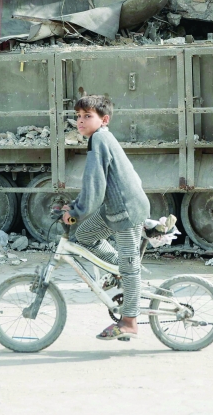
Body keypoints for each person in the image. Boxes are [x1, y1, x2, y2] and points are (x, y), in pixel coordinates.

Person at [60, 94, 150, 341]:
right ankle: (119, 269)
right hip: (115, 207)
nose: (80, 121)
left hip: (127, 210)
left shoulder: (99, 139)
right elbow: (94, 187)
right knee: (83, 235)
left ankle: (130, 322)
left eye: (87, 116)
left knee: (130, 270)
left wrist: (76, 212)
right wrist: (76, 206)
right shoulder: (100, 138)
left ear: (104, 119)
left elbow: (94, 186)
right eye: (78, 116)